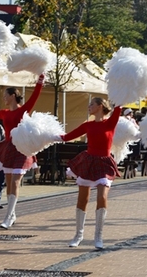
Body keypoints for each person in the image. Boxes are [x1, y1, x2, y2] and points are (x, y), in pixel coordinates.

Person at [60, 98, 122, 249]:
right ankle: (78, 235)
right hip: (88, 162)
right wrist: (45, 136)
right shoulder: (87, 125)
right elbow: (67, 137)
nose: (89, 107)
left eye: (92, 104)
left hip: (104, 164)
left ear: (100, 106)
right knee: (83, 200)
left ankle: (98, 237)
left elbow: (119, 105)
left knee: (102, 197)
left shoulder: (110, 122)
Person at [0, 76, 45, 229]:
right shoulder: (4, 113)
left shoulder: (23, 110)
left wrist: (40, 81)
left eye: (5, 95)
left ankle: (8, 215)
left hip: (21, 148)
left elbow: (35, 96)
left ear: (13, 95)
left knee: (14, 181)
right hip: (8, 148)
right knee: (8, 182)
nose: (4, 98)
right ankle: (12, 214)